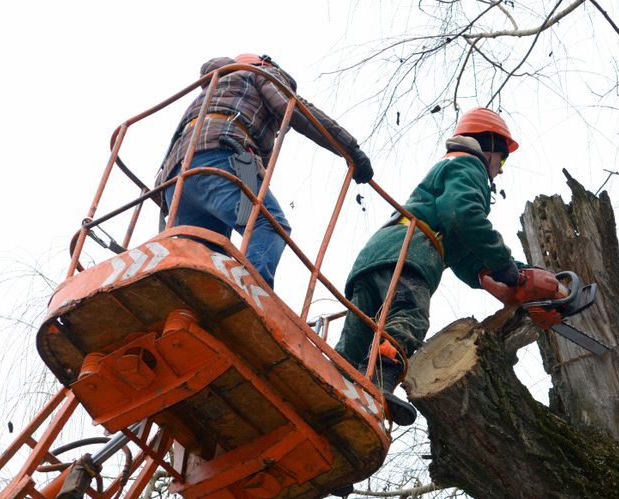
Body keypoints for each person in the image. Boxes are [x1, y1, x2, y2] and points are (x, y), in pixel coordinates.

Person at [335, 108, 523, 426]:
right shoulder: (469, 164)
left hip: (376, 257)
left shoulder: (447, 170)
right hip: (410, 254)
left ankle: (333, 414)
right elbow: (462, 215)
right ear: (488, 143)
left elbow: (463, 255)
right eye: (502, 160)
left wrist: (505, 275)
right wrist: (503, 263)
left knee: (353, 346)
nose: (500, 171)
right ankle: (378, 384)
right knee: (409, 316)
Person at [157, 54, 373, 287]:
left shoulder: (213, 91)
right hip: (225, 155)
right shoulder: (260, 74)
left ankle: (193, 304)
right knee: (268, 224)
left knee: (205, 257)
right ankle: (250, 293)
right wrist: (350, 150)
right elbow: (298, 111)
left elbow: (261, 165)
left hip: (176, 181)